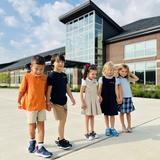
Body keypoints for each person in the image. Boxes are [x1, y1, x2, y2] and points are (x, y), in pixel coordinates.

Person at [18, 55, 52, 158]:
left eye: (41, 69)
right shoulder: (27, 76)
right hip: (30, 106)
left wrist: (48, 102)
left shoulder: (45, 78)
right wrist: (19, 101)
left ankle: (40, 146)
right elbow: (22, 90)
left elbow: (47, 92)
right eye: (36, 69)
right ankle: (32, 141)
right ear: (31, 67)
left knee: (41, 125)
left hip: (41, 105)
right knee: (32, 126)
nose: (38, 71)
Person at [47, 54, 76, 150]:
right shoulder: (51, 75)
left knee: (63, 121)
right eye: (58, 61)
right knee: (62, 121)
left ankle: (60, 137)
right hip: (56, 103)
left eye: (62, 62)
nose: (61, 63)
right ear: (53, 63)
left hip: (64, 102)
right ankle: (61, 140)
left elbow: (67, 87)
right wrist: (48, 101)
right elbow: (49, 90)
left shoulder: (64, 75)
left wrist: (71, 98)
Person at [98, 61, 121, 137]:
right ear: (105, 70)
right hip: (104, 99)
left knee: (112, 114)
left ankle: (112, 128)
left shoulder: (115, 79)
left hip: (112, 99)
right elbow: (99, 89)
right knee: (106, 114)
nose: (110, 71)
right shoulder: (102, 79)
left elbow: (116, 90)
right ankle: (107, 128)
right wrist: (99, 96)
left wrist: (118, 97)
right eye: (108, 70)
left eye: (112, 70)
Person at [80, 64, 102, 140]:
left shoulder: (95, 81)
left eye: (95, 74)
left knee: (92, 116)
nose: (94, 75)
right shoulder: (85, 81)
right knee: (87, 116)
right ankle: (87, 132)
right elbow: (81, 93)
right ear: (88, 73)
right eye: (92, 74)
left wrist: (99, 96)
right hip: (87, 101)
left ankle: (92, 131)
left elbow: (96, 91)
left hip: (94, 100)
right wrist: (82, 102)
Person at [116, 64, 139, 133]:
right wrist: (118, 98)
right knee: (122, 113)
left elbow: (136, 78)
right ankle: (123, 126)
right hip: (122, 98)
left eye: (126, 71)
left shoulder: (127, 79)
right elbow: (117, 89)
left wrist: (129, 73)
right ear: (119, 71)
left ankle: (129, 126)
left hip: (128, 98)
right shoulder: (117, 79)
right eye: (122, 71)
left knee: (128, 113)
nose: (124, 73)